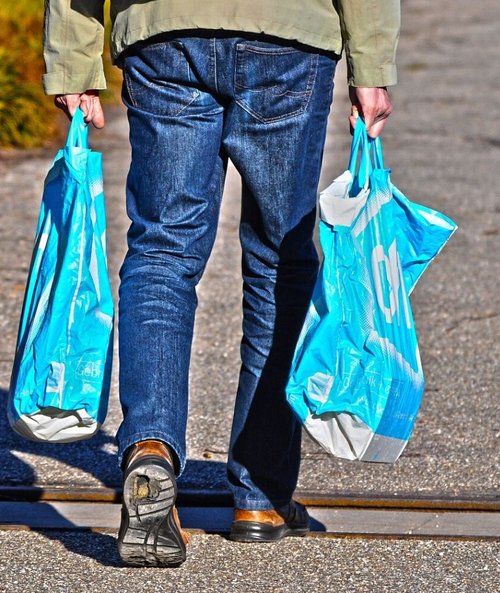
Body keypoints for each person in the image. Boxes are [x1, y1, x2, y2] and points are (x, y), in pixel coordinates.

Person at [43, 0, 399, 567]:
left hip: (164, 33)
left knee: (162, 250)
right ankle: (260, 496)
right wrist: (372, 66)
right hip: (285, 35)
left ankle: (151, 447)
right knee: (279, 261)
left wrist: (72, 57)